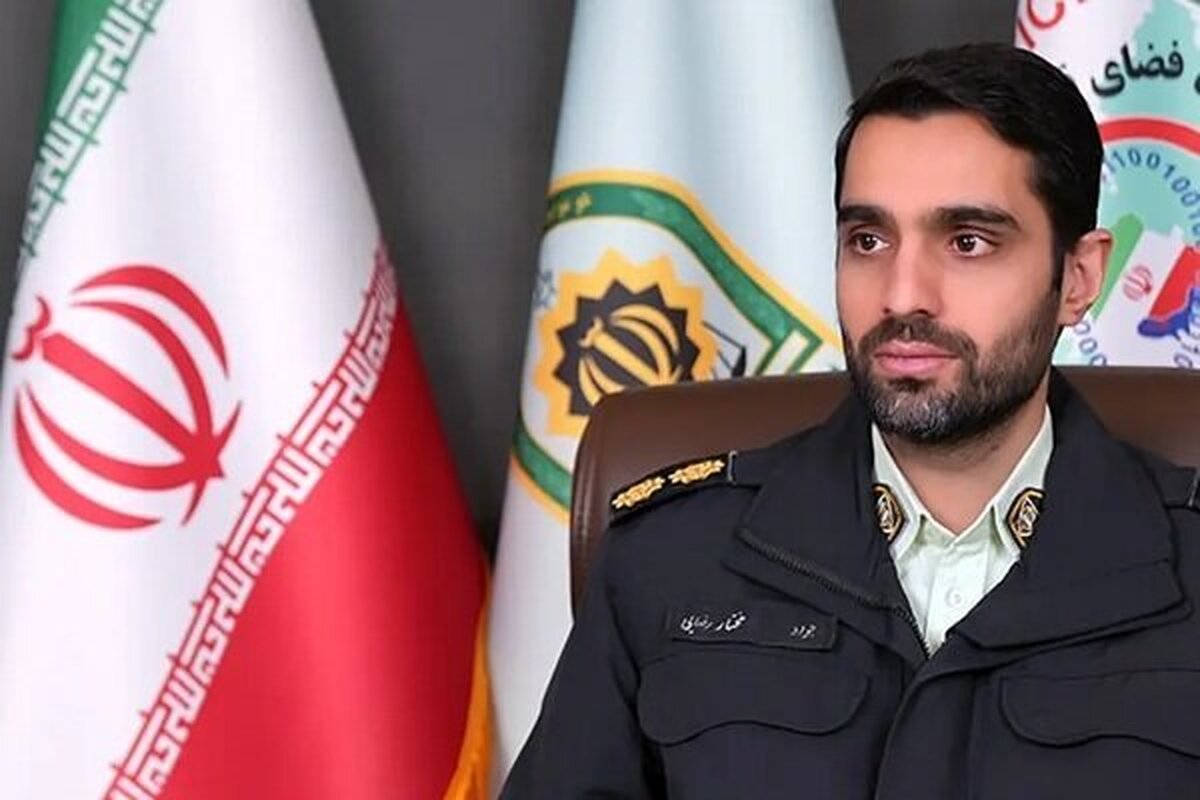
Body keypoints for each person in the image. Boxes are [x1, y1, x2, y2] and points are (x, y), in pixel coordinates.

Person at [500, 43, 1200, 799]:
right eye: (868, 240)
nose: (902, 295)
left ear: (1079, 277)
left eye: (968, 242)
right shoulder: (668, 560)